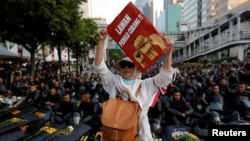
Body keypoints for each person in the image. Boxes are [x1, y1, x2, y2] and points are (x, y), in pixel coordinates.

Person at [94, 28, 175, 141]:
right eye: (123, 65)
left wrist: (169, 52)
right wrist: (101, 41)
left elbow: (165, 77)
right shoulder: (113, 80)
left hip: (139, 134)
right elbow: (99, 67)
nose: (126, 68)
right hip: (113, 132)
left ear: (136, 67)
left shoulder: (145, 84)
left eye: (130, 65)